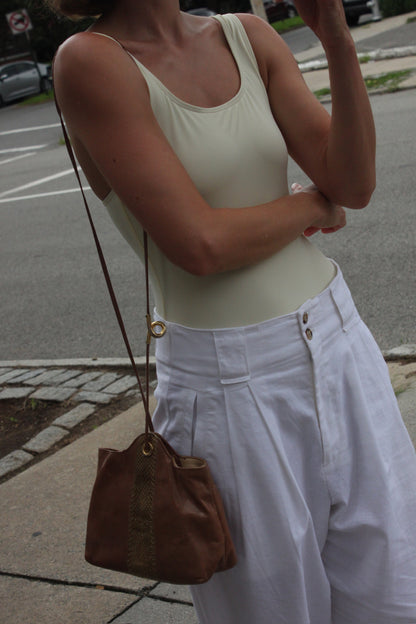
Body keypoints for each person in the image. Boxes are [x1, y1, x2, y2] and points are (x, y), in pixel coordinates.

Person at [51, 0, 416, 621]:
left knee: (393, 599)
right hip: (230, 384)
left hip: (339, 343)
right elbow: (201, 245)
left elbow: (353, 183)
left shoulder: (246, 36)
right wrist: (311, 207)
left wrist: (337, 40)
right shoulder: (90, 61)